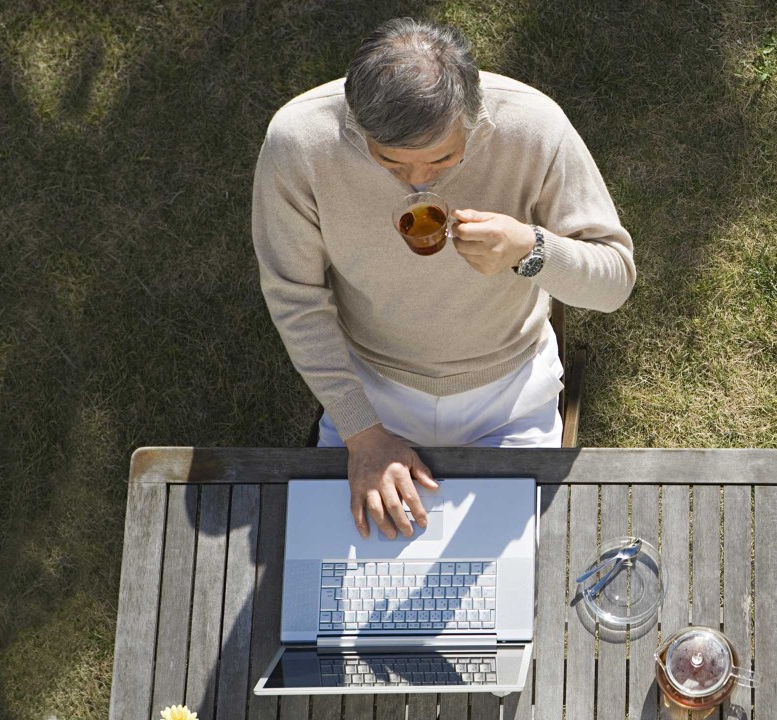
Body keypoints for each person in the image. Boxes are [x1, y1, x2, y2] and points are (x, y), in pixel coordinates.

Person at [251, 18, 634, 541]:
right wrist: (360, 430)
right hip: (372, 387)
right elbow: (294, 298)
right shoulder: (299, 143)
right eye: (391, 162)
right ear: (356, 124)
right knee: (336, 591)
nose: (421, 182)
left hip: (511, 394)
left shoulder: (534, 126)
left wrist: (531, 249)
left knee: (509, 595)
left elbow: (614, 283)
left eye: (443, 158)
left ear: (474, 119)